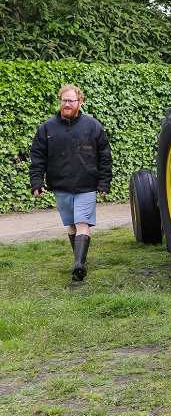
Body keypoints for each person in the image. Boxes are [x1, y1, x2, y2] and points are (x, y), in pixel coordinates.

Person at [29, 84, 113, 281]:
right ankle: (79, 258)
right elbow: (38, 157)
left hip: (86, 185)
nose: (66, 104)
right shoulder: (47, 128)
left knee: (82, 222)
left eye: (71, 101)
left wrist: (104, 183)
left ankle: (79, 265)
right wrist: (37, 181)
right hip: (61, 186)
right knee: (71, 224)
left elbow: (105, 156)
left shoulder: (93, 126)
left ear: (80, 102)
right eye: (64, 100)